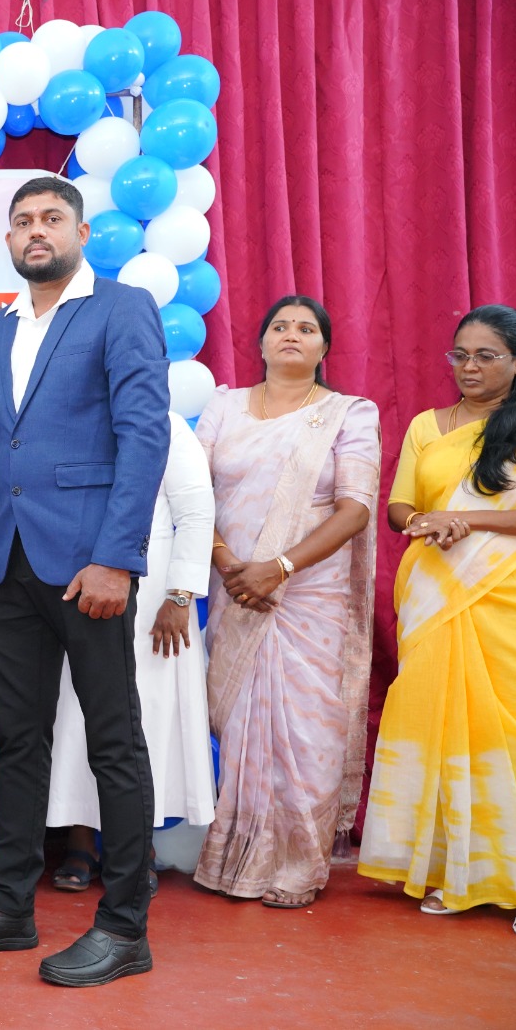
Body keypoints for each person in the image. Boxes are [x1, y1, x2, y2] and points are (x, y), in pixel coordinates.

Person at [0, 176, 170, 987]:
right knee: (17, 740)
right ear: (8, 239)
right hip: (6, 565)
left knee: (113, 740)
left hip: (88, 566)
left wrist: (118, 556)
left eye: (51, 218)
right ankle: (9, 908)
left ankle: (125, 925)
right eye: (23, 221)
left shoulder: (121, 308)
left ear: (80, 231)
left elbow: (144, 435)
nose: (36, 231)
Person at [191, 295, 379, 911]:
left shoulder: (350, 414)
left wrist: (280, 568)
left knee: (306, 726)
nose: (291, 335)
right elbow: (192, 491)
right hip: (235, 585)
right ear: (261, 342)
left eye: (306, 328)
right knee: (244, 722)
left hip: (308, 595)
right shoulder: (223, 407)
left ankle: (299, 863)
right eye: (279, 326)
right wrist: (229, 563)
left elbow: (355, 509)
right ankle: (236, 859)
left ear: (325, 348)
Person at [361, 304, 516, 916]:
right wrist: (429, 521)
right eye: (461, 355)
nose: (469, 367)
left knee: (505, 725)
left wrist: (465, 519)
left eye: (486, 356)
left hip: (503, 593)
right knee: (438, 718)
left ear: (515, 362)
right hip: (434, 586)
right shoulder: (428, 425)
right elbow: (399, 507)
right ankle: (458, 871)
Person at [46, 412, 216, 891]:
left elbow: (196, 512)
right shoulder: (64, 416)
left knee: (146, 717)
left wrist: (179, 597)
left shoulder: (165, 424)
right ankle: (80, 839)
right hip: (70, 580)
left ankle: (137, 846)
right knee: (74, 713)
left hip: (154, 593)